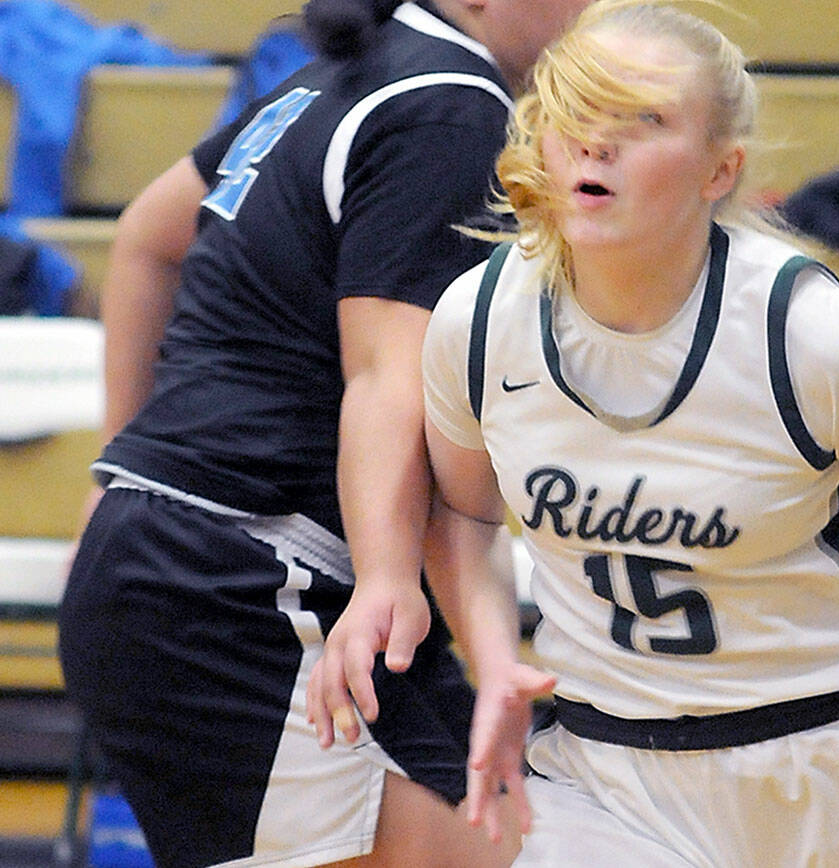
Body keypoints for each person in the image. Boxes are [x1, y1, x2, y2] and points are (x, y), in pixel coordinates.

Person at [313, 2, 839, 866]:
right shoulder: (481, 320)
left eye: (641, 120)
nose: (594, 142)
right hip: (610, 776)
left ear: (719, 170)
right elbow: (464, 518)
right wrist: (495, 660)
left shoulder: (807, 337)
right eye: (574, 110)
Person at [56, 1, 591, 866]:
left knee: (533, 839)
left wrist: (115, 472)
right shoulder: (451, 103)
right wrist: (387, 573)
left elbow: (146, 240)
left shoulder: (336, 79)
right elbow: (384, 377)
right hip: (237, 584)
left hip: (182, 561)